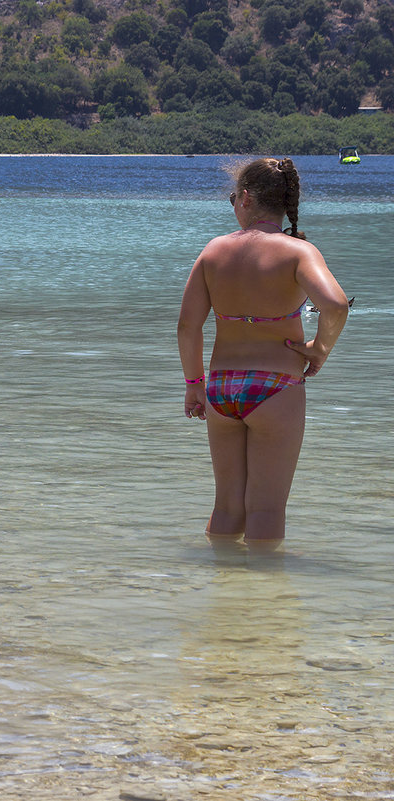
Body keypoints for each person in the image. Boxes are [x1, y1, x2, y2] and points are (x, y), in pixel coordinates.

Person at [178, 157, 349, 546]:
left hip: (221, 389)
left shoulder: (214, 251)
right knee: (266, 509)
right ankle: (265, 601)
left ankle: (222, 588)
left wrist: (193, 384)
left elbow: (188, 326)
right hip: (275, 388)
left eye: (232, 198)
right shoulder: (298, 253)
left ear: (247, 198)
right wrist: (319, 349)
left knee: (227, 507)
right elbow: (336, 306)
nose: (233, 205)